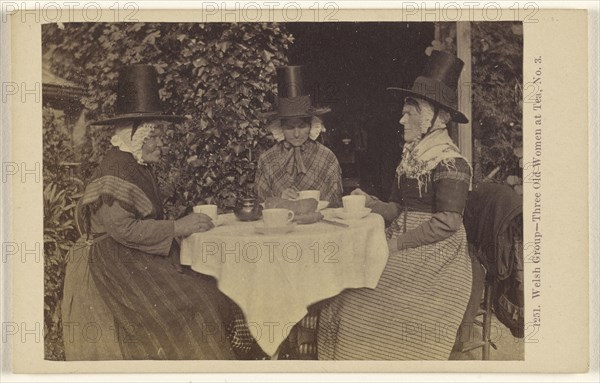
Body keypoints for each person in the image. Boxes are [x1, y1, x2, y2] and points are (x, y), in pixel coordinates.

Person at [61, 65, 235, 360]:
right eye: (157, 136)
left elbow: (143, 217)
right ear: (137, 135)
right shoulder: (117, 169)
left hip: (133, 255)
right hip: (113, 262)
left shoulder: (137, 164)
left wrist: (181, 221)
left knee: (210, 288)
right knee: (194, 303)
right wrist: (178, 227)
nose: (163, 144)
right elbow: (124, 229)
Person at [317, 51, 473, 360]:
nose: (402, 119)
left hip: (437, 255)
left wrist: (398, 243)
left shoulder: (450, 160)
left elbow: (447, 222)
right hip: (405, 244)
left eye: (410, 113)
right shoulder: (414, 156)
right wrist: (371, 203)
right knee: (344, 290)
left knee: (361, 298)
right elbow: (399, 209)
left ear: (434, 118)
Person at [254, 65, 343, 208]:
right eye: (289, 127)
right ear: (280, 127)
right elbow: (260, 202)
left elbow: (335, 203)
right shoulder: (267, 160)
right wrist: (279, 199)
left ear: (312, 125)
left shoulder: (327, 158)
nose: (296, 134)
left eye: (302, 126)